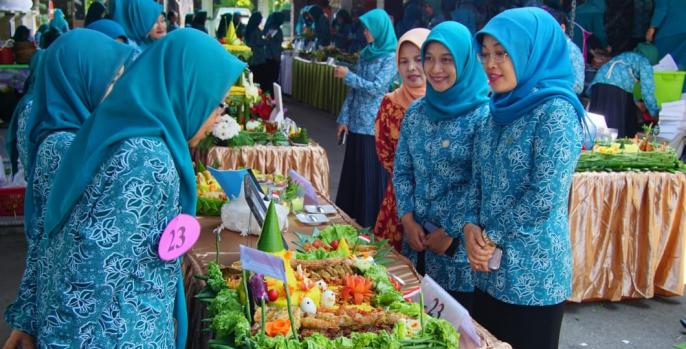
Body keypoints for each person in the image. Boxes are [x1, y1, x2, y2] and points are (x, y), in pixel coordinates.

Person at [34, 29, 244, 347]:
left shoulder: (129, 132)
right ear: (188, 91)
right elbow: (94, 276)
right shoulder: (147, 158)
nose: (217, 117)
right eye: (218, 104)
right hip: (123, 334)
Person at [3, 29, 134, 349]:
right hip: (79, 315)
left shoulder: (66, 133)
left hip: (66, 303)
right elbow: (82, 244)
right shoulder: (67, 146)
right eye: (112, 81)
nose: (118, 91)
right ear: (82, 79)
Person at [467, 8, 586, 349]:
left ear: (532, 51)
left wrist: (488, 235)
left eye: (502, 53)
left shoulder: (557, 112)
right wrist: (469, 227)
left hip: (533, 279)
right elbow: (478, 178)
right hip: (486, 270)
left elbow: (544, 196)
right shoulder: (497, 108)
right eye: (486, 54)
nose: (491, 63)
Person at [394, 22, 489, 311]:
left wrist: (450, 232)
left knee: (457, 331)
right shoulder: (416, 112)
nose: (435, 69)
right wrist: (407, 220)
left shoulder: (483, 117)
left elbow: (482, 184)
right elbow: (402, 171)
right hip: (417, 245)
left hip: (459, 254)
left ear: (464, 60)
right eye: (430, 58)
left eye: (446, 60)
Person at [334, 9, 397, 228]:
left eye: (368, 28)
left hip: (375, 125)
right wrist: (343, 118)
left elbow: (377, 88)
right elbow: (352, 92)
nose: (365, 32)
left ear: (380, 29)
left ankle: (371, 223)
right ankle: (351, 220)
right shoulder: (366, 53)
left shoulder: (391, 56)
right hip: (356, 124)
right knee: (354, 172)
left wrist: (348, 76)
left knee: (370, 174)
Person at [373, 28, 429, 252]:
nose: (411, 68)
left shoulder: (445, 104)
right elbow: (383, 149)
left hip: (438, 204)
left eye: (418, 59)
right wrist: (406, 178)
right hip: (398, 198)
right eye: (404, 61)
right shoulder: (390, 103)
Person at [588, 47, 659, 138]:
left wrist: (636, 102)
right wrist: (654, 113)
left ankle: (594, 147)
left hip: (598, 84)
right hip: (615, 90)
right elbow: (647, 91)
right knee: (614, 128)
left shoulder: (625, 56)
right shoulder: (645, 62)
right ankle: (614, 149)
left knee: (598, 125)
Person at [550, 9, 585, 95]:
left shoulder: (572, 51)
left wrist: (550, 84)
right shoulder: (550, 47)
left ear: (562, 28)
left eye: (550, 30)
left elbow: (578, 86)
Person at [646, 0, 686, 70]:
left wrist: (652, 28)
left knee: (664, 66)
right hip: (681, 31)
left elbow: (661, 9)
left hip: (670, 32)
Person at [245, 12, 269, 90]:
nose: (260, 21)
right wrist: (266, 40)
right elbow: (256, 43)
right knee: (258, 78)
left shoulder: (250, 28)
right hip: (257, 57)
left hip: (255, 57)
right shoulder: (254, 30)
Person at [264, 12, 285, 96]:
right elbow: (269, 42)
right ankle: (271, 97)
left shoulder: (273, 28)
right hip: (272, 57)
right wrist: (275, 56)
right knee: (272, 78)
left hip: (272, 56)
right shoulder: (274, 29)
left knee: (271, 77)